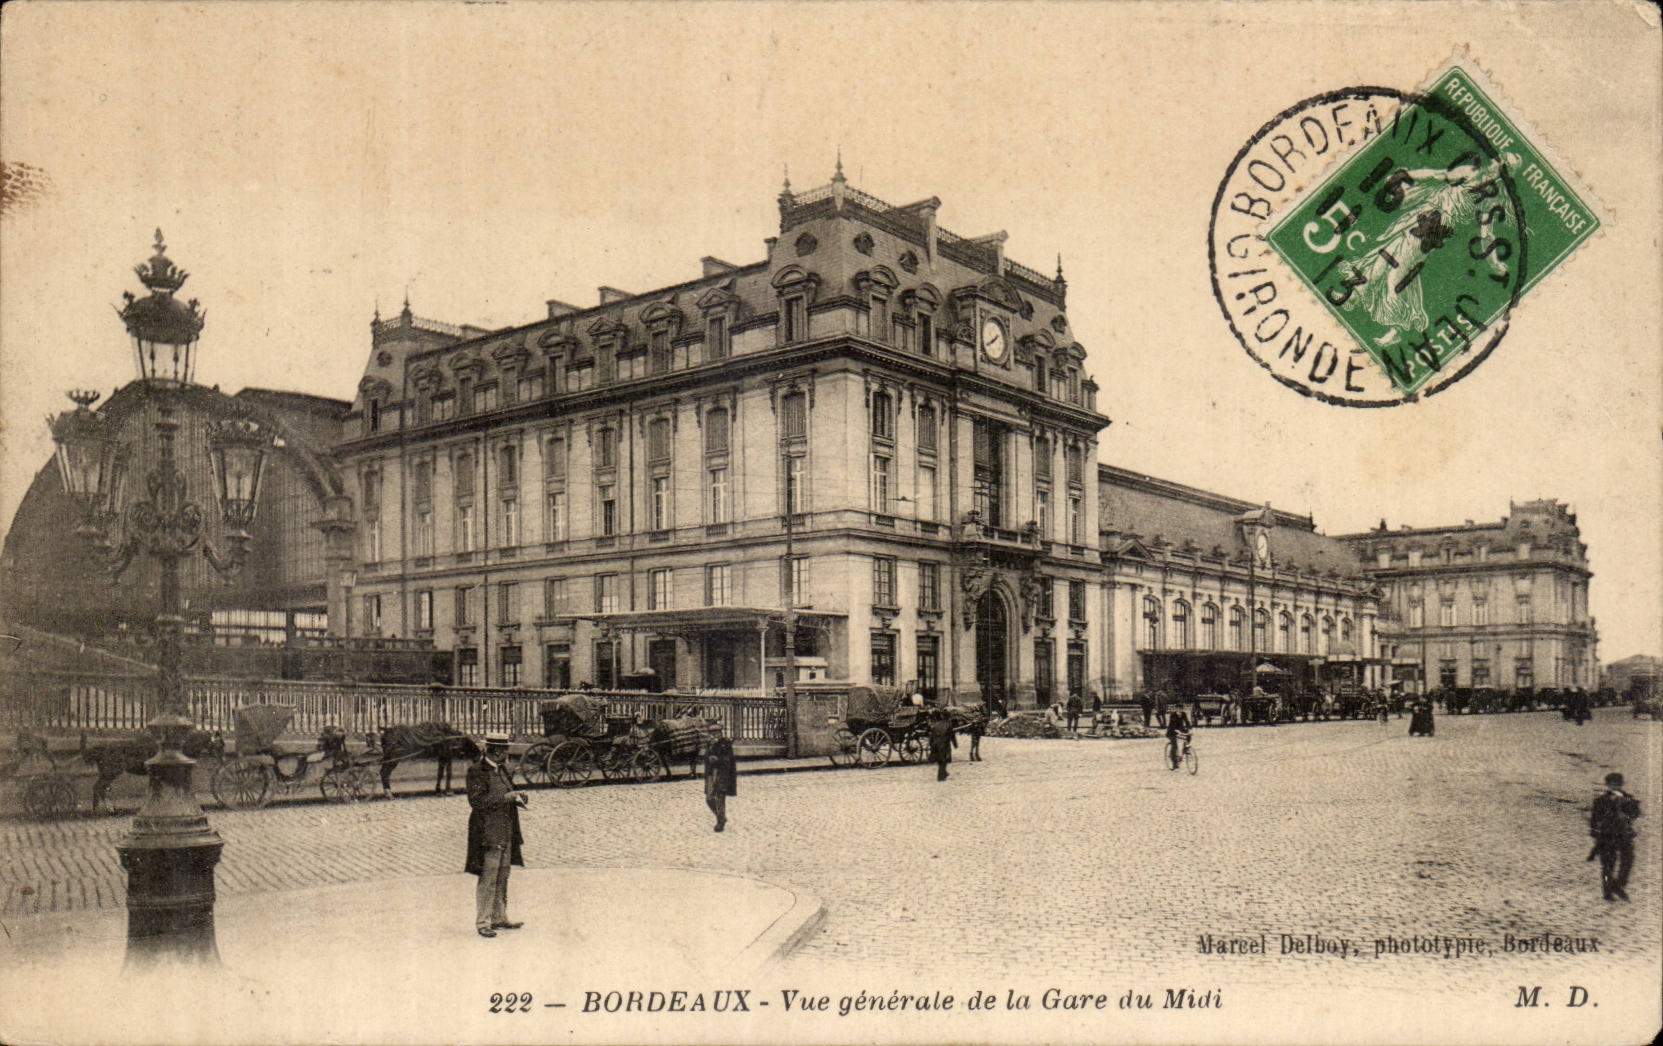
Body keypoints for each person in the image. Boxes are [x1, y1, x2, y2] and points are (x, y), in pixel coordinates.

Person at [466, 732, 527, 937]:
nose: (507, 753)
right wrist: (505, 797)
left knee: (503, 874)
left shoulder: (502, 770)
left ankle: (499, 917)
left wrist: (517, 796)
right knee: (488, 877)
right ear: (496, 751)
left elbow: (507, 793)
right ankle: (483, 922)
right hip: (487, 832)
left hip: (506, 830)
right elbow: (477, 802)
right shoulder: (477, 771)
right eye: (505, 750)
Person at [1589, 772, 1641, 901]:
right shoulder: (1601, 800)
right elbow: (1595, 817)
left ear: (1622, 784)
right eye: (1612, 784)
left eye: (1618, 784)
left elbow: (1636, 813)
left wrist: (1629, 809)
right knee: (1608, 864)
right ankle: (1607, 892)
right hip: (1607, 835)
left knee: (1628, 860)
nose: (1615, 787)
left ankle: (1618, 885)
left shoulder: (1628, 798)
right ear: (1607, 785)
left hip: (1624, 834)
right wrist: (1595, 831)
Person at [704, 731, 737, 832]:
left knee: (720, 797)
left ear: (720, 734)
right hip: (711, 774)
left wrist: (718, 759)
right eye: (712, 734)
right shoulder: (709, 744)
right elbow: (706, 759)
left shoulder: (725, 744)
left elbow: (728, 761)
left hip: (722, 774)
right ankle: (721, 817)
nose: (714, 736)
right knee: (709, 798)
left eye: (716, 734)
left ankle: (720, 822)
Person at [928, 707, 957, 781]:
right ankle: (941, 776)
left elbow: (931, 736)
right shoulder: (948, 724)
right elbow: (952, 736)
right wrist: (955, 744)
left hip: (935, 744)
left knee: (939, 760)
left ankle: (943, 773)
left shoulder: (936, 724)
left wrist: (931, 744)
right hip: (943, 744)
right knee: (943, 760)